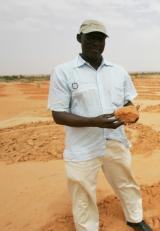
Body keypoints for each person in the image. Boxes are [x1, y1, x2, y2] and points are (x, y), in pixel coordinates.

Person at [47, 19, 152, 231]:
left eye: (101, 38)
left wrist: (133, 114)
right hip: (82, 145)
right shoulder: (63, 72)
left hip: (115, 140)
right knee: (83, 191)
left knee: (126, 183)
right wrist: (96, 122)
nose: (96, 42)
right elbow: (58, 114)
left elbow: (128, 102)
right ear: (79, 39)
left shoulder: (118, 71)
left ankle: (135, 218)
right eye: (91, 37)